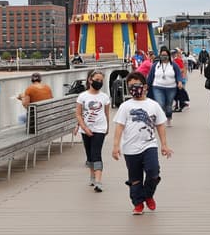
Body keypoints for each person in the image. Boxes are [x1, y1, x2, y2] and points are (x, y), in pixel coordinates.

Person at [110, 72, 173, 214]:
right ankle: (138, 203)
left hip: (149, 145)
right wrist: (115, 146)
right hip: (130, 148)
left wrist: (164, 145)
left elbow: (160, 125)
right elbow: (119, 126)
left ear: (145, 87)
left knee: (153, 171)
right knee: (135, 178)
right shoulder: (125, 106)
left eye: (137, 85)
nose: (134, 89)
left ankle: (148, 195)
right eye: (130, 86)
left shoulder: (153, 105)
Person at [74, 69, 112, 192]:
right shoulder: (82, 96)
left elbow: (106, 113)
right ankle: (92, 174)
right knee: (89, 154)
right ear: (90, 80)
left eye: (101, 80)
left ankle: (98, 181)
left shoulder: (105, 97)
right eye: (97, 80)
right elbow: (79, 114)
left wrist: (107, 127)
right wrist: (83, 127)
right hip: (85, 129)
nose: (99, 82)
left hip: (99, 128)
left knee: (96, 153)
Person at [146, 48, 182, 125]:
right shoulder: (155, 65)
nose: (164, 57)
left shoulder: (173, 65)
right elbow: (150, 76)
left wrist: (179, 82)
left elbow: (178, 74)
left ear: (169, 56)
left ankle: (168, 117)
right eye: (162, 55)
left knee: (169, 105)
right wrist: (147, 85)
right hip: (157, 87)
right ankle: (160, 120)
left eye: (165, 55)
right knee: (160, 104)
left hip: (171, 88)